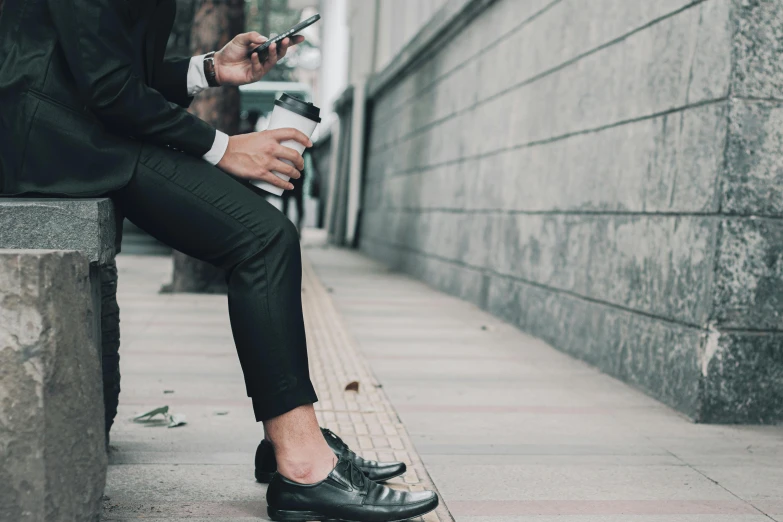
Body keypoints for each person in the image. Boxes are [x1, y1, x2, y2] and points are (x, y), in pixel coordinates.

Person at [0, 1, 439, 521]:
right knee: (262, 240)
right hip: (60, 137)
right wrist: (224, 146)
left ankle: (291, 441)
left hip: (81, 125)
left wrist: (210, 69)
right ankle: (302, 464)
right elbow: (107, 86)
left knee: (265, 236)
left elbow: (105, 66)